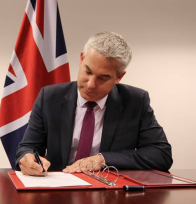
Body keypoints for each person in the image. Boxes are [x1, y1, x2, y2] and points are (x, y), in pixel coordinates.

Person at [16, 31, 172, 176]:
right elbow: (28, 147)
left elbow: (161, 154)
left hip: (111, 195)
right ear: (81, 59)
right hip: (59, 192)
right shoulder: (50, 97)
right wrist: (28, 157)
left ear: (119, 77)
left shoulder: (136, 101)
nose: (90, 84)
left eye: (103, 78)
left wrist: (103, 159)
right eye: (88, 71)